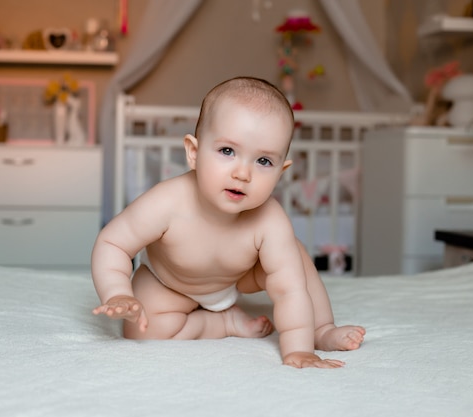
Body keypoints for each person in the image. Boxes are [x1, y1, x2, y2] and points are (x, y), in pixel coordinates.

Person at [91, 76, 365, 368]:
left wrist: (299, 350)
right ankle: (222, 323)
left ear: (280, 173)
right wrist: (117, 292)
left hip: (238, 276)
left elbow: (289, 290)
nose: (243, 173)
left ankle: (321, 329)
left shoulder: (269, 219)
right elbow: (113, 242)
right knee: (141, 331)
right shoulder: (167, 202)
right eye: (227, 151)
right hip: (170, 282)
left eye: (263, 161)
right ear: (193, 153)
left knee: (293, 257)